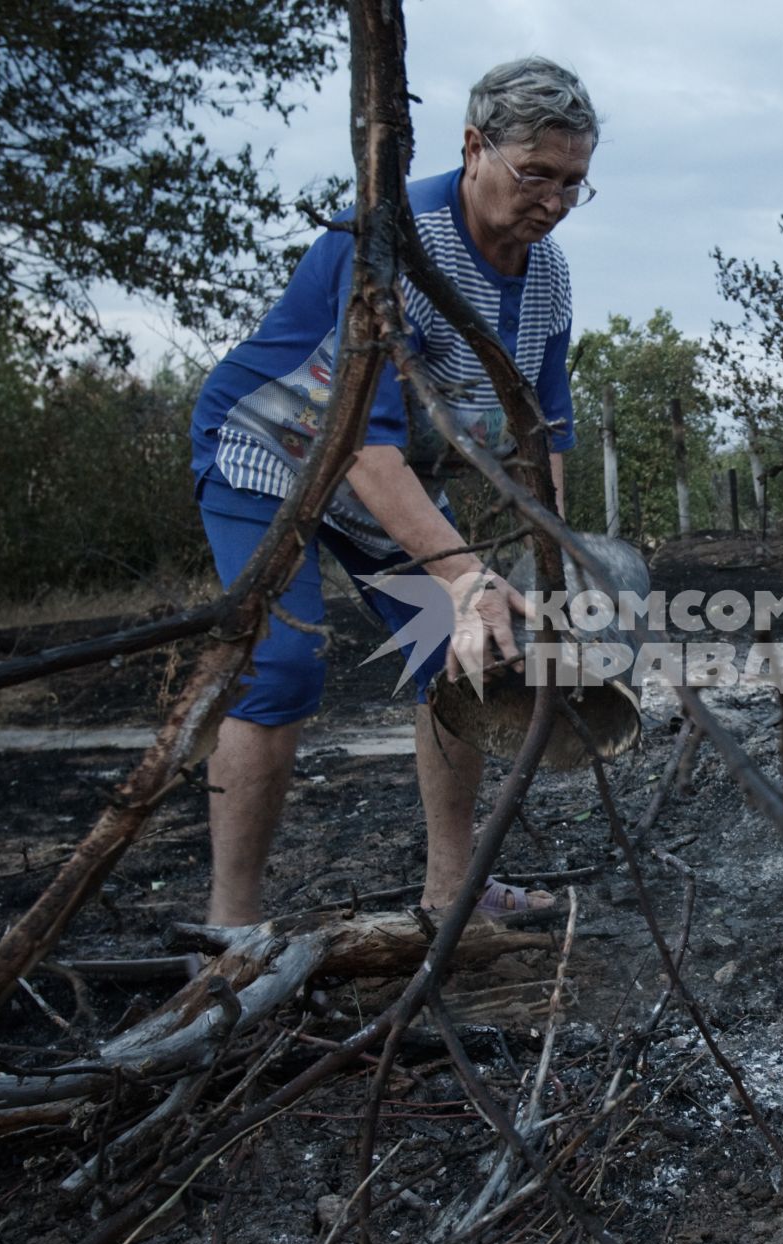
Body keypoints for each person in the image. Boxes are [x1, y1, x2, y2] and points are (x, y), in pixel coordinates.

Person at [186, 56, 599, 926]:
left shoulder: (547, 275)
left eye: (573, 183)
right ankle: (230, 933)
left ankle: (454, 895)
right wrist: (460, 577)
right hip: (271, 453)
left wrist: (548, 570)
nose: (554, 203)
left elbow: (545, 432)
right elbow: (362, 447)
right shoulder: (391, 241)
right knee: (283, 666)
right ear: (474, 146)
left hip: (381, 477)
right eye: (537, 176)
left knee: (470, 657)